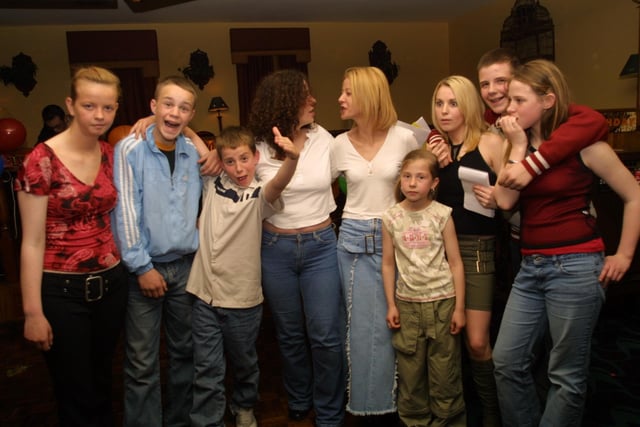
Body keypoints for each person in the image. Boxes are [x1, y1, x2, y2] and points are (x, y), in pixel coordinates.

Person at [492, 59, 640, 427]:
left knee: (566, 375)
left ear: (547, 101)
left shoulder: (584, 146)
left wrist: (624, 253)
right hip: (530, 266)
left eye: (519, 100)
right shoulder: (521, 146)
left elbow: (634, 195)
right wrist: (517, 145)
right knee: (506, 362)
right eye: (509, 99)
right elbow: (506, 202)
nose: (509, 108)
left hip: (576, 266)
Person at [15, 66, 128, 426]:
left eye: (108, 108)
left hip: (111, 285)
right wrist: (32, 312)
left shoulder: (110, 153)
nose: (99, 116)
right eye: (89, 106)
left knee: (101, 381)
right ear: (71, 105)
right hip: (61, 291)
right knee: (73, 390)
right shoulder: (41, 160)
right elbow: (31, 242)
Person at [187, 125, 303, 427]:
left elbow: (279, 183)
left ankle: (244, 405)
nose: (238, 168)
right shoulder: (212, 181)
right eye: (229, 161)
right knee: (206, 367)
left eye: (244, 159)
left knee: (244, 363)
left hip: (242, 299)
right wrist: (185, 126)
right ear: (220, 162)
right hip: (203, 294)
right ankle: (208, 420)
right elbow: (199, 146)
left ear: (256, 157)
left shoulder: (260, 193)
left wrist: (292, 158)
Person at [248, 69, 346, 427]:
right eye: (306, 95)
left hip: (321, 246)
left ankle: (331, 409)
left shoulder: (325, 139)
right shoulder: (257, 145)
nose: (314, 100)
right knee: (289, 334)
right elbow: (267, 198)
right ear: (285, 101)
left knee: (325, 335)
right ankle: (300, 398)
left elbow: (349, 172)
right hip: (276, 248)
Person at [112, 75, 202, 427]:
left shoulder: (193, 152)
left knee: (185, 353)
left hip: (186, 267)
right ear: (153, 106)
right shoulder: (129, 149)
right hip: (144, 271)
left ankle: (180, 420)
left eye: (183, 107)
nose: (174, 113)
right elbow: (126, 212)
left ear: (191, 115)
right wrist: (141, 266)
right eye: (167, 104)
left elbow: (211, 188)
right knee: (141, 361)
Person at [332, 66, 418, 425]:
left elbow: (423, 183)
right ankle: (370, 409)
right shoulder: (337, 145)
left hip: (397, 238)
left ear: (369, 96)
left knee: (401, 322)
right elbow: (333, 191)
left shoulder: (406, 137)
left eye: (348, 92)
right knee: (360, 327)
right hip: (352, 240)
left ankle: (405, 403)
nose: (340, 98)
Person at [427, 75, 505, 427]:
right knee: (448, 343)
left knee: (476, 341)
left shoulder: (490, 143)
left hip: (477, 251)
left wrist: (500, 198)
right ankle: (458, 412)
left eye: (453, 103)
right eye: (440, 103)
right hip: (439, 253)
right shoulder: (435, 148)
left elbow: (515, 196)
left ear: (469, 105)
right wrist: (433, 164)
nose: (445, 111)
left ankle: (492, 414)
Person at [381, 149, 466, 427]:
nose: (412, 183)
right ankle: (415, 421)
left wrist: (460, 308)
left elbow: (455, 263)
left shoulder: (442, 215)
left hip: (443, 303)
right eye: (407, 176)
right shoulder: (391, 217)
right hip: (408, 306)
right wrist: (391, 304)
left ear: (434, 183)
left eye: (420, 177)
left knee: (445, 373)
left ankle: (449, 420)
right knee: (411, 375)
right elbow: (388, 264)